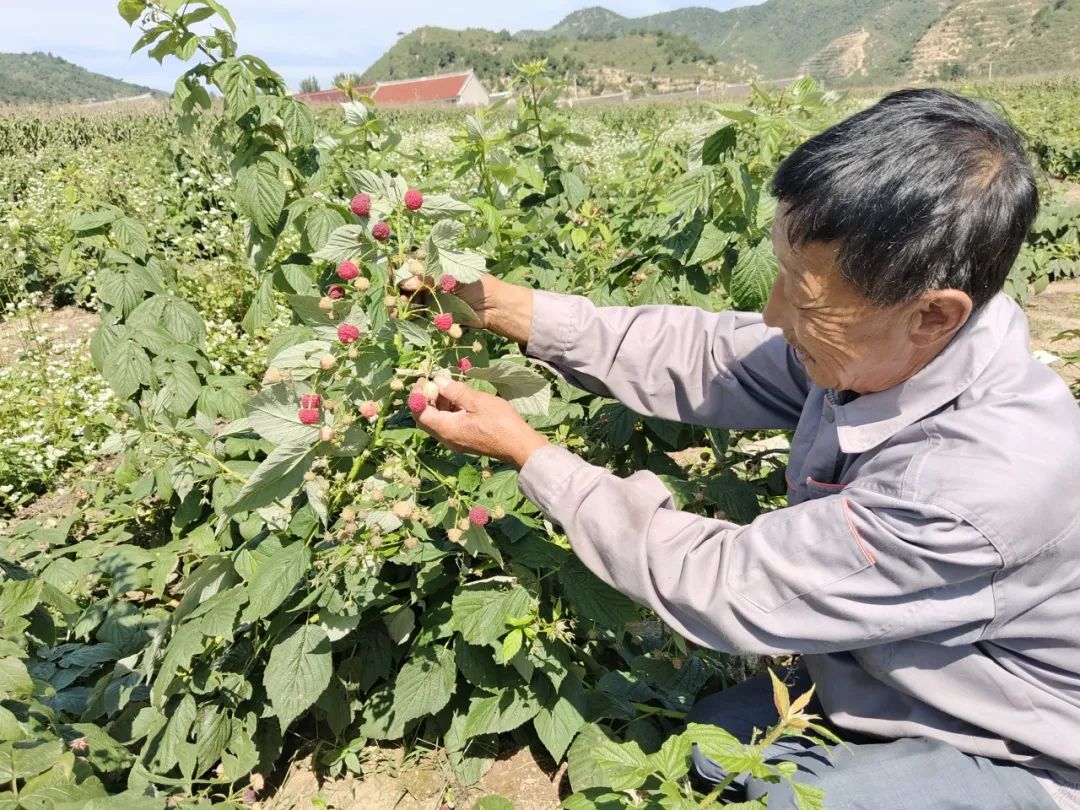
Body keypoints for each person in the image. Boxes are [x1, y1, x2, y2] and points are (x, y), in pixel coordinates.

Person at [409, 89, 1080, 808]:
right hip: (897, 676)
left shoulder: (969, 489)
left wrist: (529, 454)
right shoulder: (898, 346)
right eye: (781, 273)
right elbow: (705, 354)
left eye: (804, 295)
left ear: (932, 313)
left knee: (779, 800)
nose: (771, 312)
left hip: (1017, 745)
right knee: (710, 743)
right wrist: (492, 304)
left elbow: (726, 583)